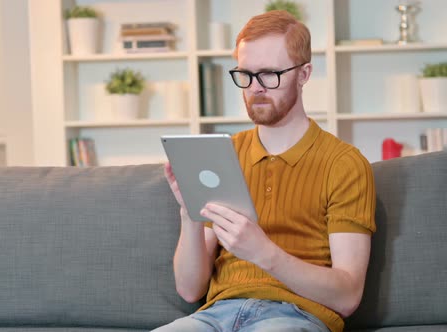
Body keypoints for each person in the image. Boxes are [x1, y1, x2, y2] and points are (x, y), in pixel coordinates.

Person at [155, 10, 376, 332]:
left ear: (304, 74)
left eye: (270, 74)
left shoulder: (344, 163)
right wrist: (190, 214)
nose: (255, 88)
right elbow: (189, 289)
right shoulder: (224, 153)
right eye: (245, 74)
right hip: (215, 316)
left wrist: (263, 252)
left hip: (295, 316)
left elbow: (347, 296)